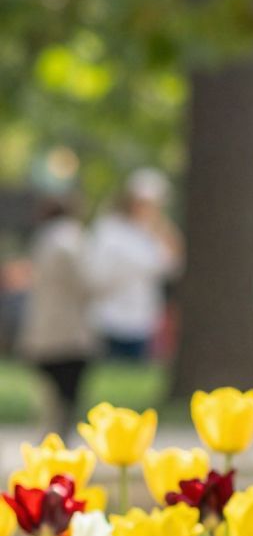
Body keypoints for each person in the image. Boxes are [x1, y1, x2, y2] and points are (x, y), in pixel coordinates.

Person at [18, 190, 97, 432]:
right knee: (66, 395)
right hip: (69, 331)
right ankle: (59, 440)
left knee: (51, 398)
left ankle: (52, 437)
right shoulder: (71, 239)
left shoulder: (44, 238)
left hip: (43, 328)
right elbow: (86, 282)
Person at [88, 167, 183, 361]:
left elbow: (173, 266)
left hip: (142, 316)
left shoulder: (155, 233)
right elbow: (97, 272)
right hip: (109, 314)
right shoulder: (110, 228)